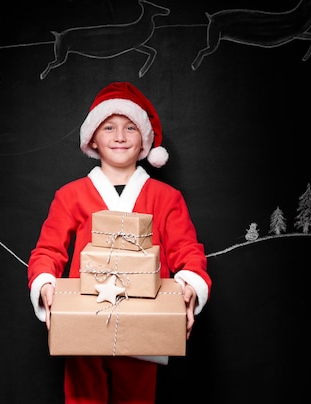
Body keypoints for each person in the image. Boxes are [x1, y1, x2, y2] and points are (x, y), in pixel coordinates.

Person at [27, 81, 212, 403]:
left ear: (145, 140)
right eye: (108, 127)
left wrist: (191, 288)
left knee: (137, 396)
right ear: (93, 139)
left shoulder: (167, 197)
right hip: (84, 314)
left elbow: (187, 251)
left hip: (146, 314)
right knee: (83, 396)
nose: (120, 136)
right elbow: (48, 250)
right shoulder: (69, 195)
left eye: (130, 127)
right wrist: (44, 285)